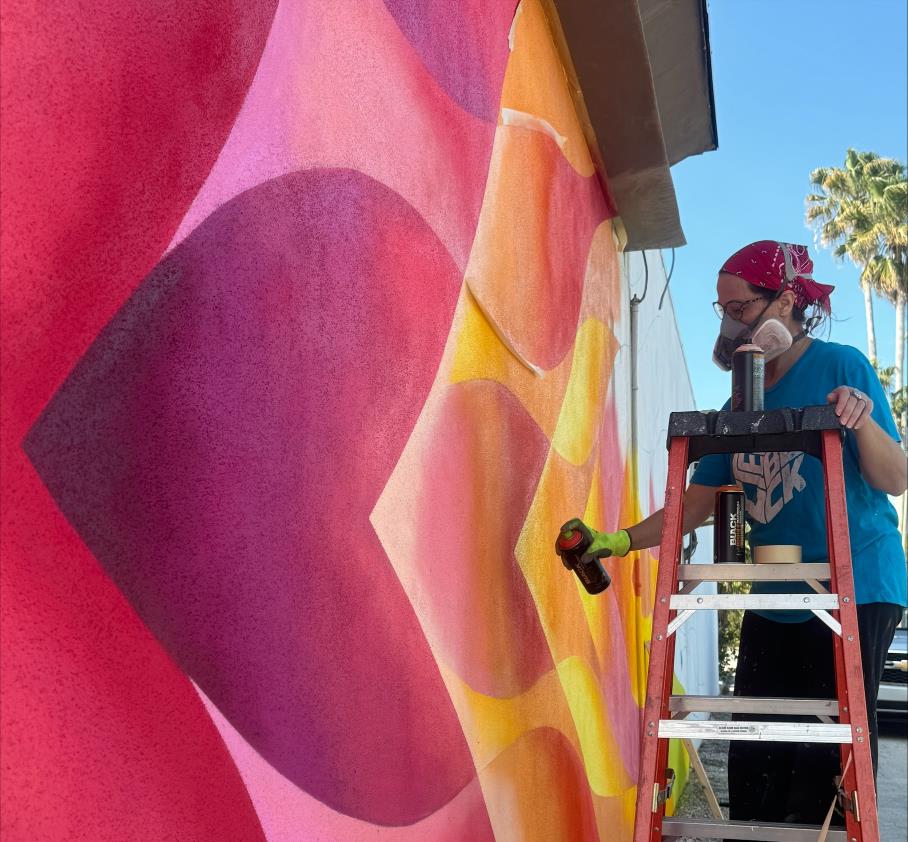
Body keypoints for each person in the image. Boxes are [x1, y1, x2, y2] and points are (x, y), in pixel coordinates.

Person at [560, 240, 908, 826]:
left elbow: (894, 477)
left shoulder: (840, 366)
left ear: (788, 301)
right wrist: (617, 542)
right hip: (777, 593)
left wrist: (861, 417)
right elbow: (693, 503)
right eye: (722, 309)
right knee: (756, 756)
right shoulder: (740, 400)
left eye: (741, 308)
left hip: (857, 586)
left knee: (826, 768)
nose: (729, 322)